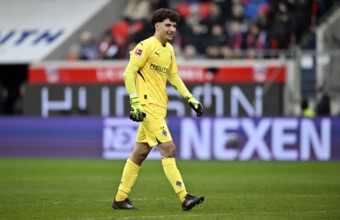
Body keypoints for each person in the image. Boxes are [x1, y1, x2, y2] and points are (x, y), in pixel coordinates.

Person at [112, 8, 205, 211]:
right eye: (168, 25)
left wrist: (190, 98)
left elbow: (174, 77)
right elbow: (129, 73)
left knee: (140, 153)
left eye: (174, 26)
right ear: (157, 26)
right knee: (169, 149)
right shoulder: (145, 46)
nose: (172, 29)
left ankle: (120, 198)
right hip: (147, 107)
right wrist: (135, 102)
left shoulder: (169, 50)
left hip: (159, 106)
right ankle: (184, 197)